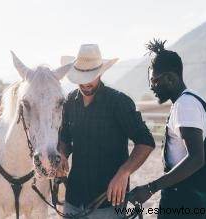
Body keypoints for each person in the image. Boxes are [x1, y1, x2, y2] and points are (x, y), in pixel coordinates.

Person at [57, 44, 156, 218]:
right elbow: (64, 137)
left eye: (91, 76)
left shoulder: (119, 102)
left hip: (108, 203)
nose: (86, 82)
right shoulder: (69, 102)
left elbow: (146, 141)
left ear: (100, 73)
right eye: (82, 76)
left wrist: (124, 172)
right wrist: (62, 154)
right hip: (73, 199)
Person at [129, 39, 206, 219]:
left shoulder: (185, 105)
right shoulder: (191, 100)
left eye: (154, 81)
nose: (151, 87)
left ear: (170, 78)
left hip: (186, 197)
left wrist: (151, 188)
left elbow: (196, 159)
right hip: (192, 195)